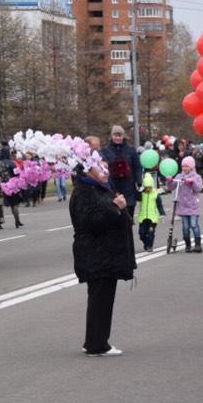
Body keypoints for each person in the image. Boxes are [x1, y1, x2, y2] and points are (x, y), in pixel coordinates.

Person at [70, 152, 136, 356]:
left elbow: (114, 217)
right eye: (100, 168)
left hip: (105, 255)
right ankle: (97, 344)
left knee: (102, 300)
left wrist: (120, 209)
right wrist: (115, 208)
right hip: (97, 255)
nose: (106, 172)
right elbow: (90, 222)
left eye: (106, 167)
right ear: (89, 169)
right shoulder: (85, 192)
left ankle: (94, 340)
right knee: (100, 301)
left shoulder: (98, 189)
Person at [100, 125, 142, 218]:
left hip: (129, 187)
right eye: (115, 135)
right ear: (111, 136)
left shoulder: (131, 150)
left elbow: (137, 167)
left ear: (123, 136)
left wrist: (139, 182)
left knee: (128, 216)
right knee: (115, 217)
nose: (118, 138)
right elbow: (102, 168)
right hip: (113, 188)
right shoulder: (105, 151)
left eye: (120, 135)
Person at [170, 156, 203, 253]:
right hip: (183, 206)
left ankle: (198, 245)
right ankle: (188, 245)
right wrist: (169, 181)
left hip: (193, 206)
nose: (184, 168)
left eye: (186, 166)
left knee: (194, 225)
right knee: (185, 227)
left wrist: (192, 182)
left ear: (192, 167)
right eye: (183, 166)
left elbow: (198, 189)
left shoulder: (197, 177)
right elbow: (172, 187)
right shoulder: (179, 177)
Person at [136, 173, 163, 253]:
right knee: (141, 234)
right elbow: (137, 198)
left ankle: (149, 246)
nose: (148, 189)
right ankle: (146, 243)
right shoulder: (142, 194)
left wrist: (162, 214)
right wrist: (139, 191)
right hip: (143, 217)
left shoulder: (156, 194)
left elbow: (159, 205)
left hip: (153, 218)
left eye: (150, 187)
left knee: (151, 232)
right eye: (146, 187)